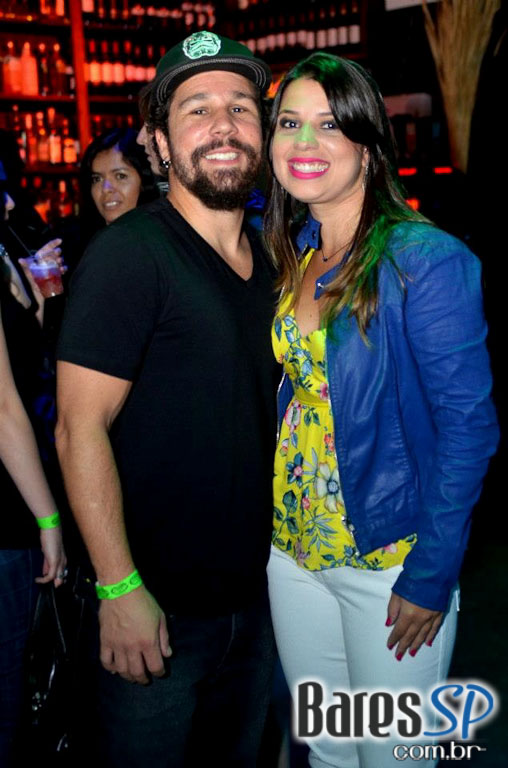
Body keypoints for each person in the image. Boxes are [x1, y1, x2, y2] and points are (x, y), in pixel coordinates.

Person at [263, 52, 499, 768]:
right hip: (292, 550)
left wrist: (432, 572)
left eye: (330, 124)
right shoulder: (297, 251)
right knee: (328, 752)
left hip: (388, 558)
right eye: (289, 124)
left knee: (396, 757)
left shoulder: (422, 258)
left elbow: (469, 427)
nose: (305, 142)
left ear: (367, 144)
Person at [55, 32, 279, 767]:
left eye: (241, 106)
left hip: (257, 603)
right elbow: (79, 428)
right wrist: (119, 588)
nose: (223, 125)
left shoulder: (273, 259)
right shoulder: (131, 255)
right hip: (155, 614)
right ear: (157, 142)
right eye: (196, 109)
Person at [1, 176, 67, 767]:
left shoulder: (5, 252)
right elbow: (3, 409)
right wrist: (48, 519)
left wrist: (39, 299)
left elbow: (27, 366)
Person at [79, 126, 159, 238]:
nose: (106, 189)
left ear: (145, 180)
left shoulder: (161, 240)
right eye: (97, 179)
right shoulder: (80, 243)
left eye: (120, 176)